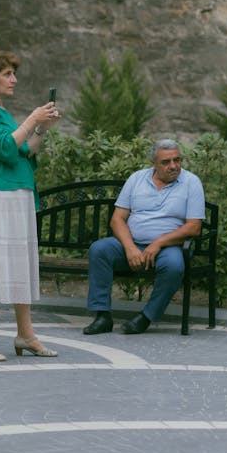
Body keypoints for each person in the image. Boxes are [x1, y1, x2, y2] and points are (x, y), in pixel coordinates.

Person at [0, 50, 62, 361]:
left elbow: (24, 152)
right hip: (0, 196)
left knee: (20, 262)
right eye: (7, 74)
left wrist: (41, 128)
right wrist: (32, 117)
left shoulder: (5, 115)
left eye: (13, 74)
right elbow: (5, 150)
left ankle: (25, 334)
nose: (14, 80)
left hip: (19, 195)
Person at [83, 139, 205, 335]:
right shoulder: (137, 179)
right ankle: (102, 316)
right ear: (154, 164)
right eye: (166, 162)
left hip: (169, 248)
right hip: (133, 245)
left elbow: (194, 227)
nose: (173, 166)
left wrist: (158, 243)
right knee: (99, 250)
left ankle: (146, 317)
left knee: (174, 265)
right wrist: (130, 247)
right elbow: (117, 220)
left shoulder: (191, 182)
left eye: (177, 160)